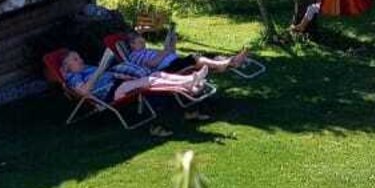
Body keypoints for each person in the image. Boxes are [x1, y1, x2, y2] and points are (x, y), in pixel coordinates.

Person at [59, 48, 209, 135]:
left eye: (78, 57)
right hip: (110, 93)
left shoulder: (87, 69)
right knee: (149, 81)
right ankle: (188, 83)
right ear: (66, 67)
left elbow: (107, 75)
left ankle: (188, 82)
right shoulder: (73, 77)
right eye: (75, 59)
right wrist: (99, 71)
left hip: (117, 84)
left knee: (155, 76)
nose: (80, 60)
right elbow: (84, 92)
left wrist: (119, 74)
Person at [123, 26, 247, 77]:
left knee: (204, 55)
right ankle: (223, 64)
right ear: (132, 44)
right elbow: (152, 64)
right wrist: (165, 52)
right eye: (140, 42)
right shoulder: (134, 56)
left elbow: (169, 53)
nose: (144, 43)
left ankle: (231, 61)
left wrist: (171, 42)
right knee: (195, 58)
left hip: (174, 61)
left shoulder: (147, 50)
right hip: (166, 69)